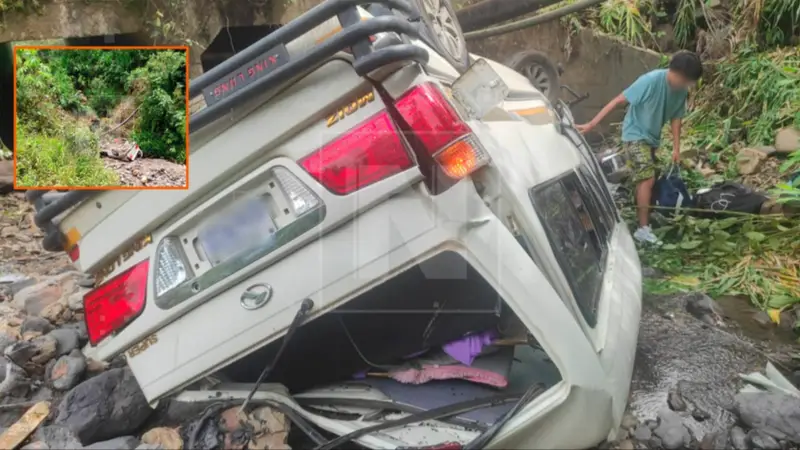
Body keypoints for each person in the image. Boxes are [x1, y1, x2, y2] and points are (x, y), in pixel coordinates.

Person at [576, 51, 703, 244]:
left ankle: (640, 216)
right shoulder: (650, 81)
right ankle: (643, 229)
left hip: (652, 139)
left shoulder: (681, 91)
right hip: (634, 134)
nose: (688, 85)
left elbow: (676, 118)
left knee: (646, 178)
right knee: (647, 178)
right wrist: (592, 124)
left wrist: (676, 148)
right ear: (677, 73)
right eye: (687, 81)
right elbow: (619, 100)